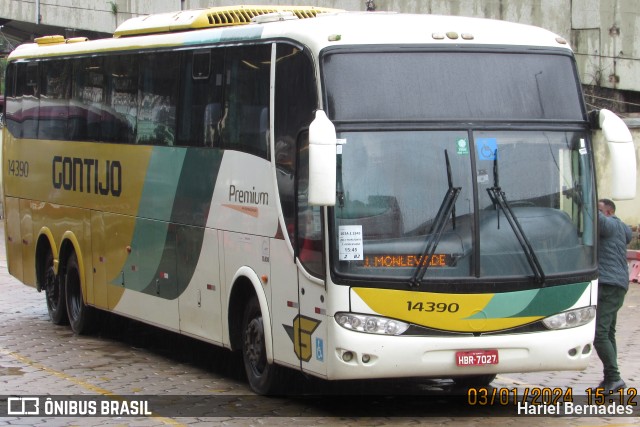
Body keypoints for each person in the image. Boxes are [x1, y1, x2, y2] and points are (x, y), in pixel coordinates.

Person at [594, 198, 632, 392]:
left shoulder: (609, 224)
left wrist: (582, 198)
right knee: (608, 332)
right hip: (617, 284)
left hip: (609, 284)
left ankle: (614, 377)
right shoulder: (620, 227)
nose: (596, 213)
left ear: (608, 212)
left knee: (599, 334)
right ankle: (611, 378)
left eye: (600, 210)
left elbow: (596, 217)